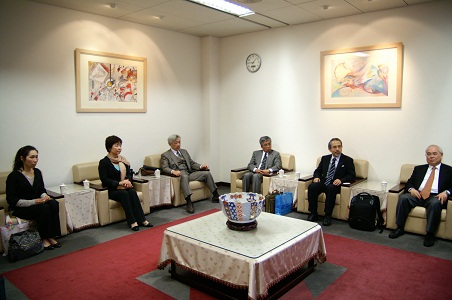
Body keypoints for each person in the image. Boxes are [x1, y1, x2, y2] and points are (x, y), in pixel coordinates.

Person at [389, 145, 452, 247]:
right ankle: (399, 228)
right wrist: (411, 189)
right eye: (429, 154)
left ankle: (430, 234)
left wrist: (446, 192)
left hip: (435, 196)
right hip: (418, 195)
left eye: (434, 154)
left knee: (435, 203)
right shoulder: (419, 169)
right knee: (403, 198)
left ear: (441, 155)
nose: (431, 156)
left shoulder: (449, 170)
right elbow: (409, 183)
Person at [6, 146, 61, 250]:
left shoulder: (37, 172)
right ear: (22, 158)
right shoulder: (14, 176)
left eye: (36, 157)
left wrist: (44, 197)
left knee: (54, 203)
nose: (35, 160)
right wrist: (34, 201)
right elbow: (12, 200)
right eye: (32, 157)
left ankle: (52, 236)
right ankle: (44, 238)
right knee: (43, 208)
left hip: (37, 203)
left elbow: (41, 190)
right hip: (21, 208)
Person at [98, 135, 153, 231]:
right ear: (109, 147)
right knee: (124, 194)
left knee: (132, 192)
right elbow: (104, 179)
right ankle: (132, 221)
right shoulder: (104, 162)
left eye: (120, 145)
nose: (119, 148)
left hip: (125, 187)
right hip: (112, 189)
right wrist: (119, 183)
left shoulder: (123, 160)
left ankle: (142, 219)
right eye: (116, 145)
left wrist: (128, 181)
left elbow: (129, 174)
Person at [161, 134, 220, 214]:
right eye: (176, 143)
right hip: (180, 175)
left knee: (206, 173)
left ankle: (216, 195)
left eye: (179, 142)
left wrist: (201, 166)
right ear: (170, 144)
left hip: (189, 173)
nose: (178, 144)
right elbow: (164, 168)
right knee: (184, 176)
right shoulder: (166, 155)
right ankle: (189, 203)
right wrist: (173, 171)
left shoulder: (184, 151)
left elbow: (191, 163)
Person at [307, 138, 356, 226]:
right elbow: (318, 171)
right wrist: (316, 177)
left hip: (335, 183)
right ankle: (313, 213)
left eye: (339, 146)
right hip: (324, 180)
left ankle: (327, 215)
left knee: (330, 188)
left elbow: (352, 175)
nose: (337, 149)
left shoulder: (347, 160)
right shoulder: (325, 158)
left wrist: (341, 180)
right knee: (312, 187)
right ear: (330, 149)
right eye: (334, 147)